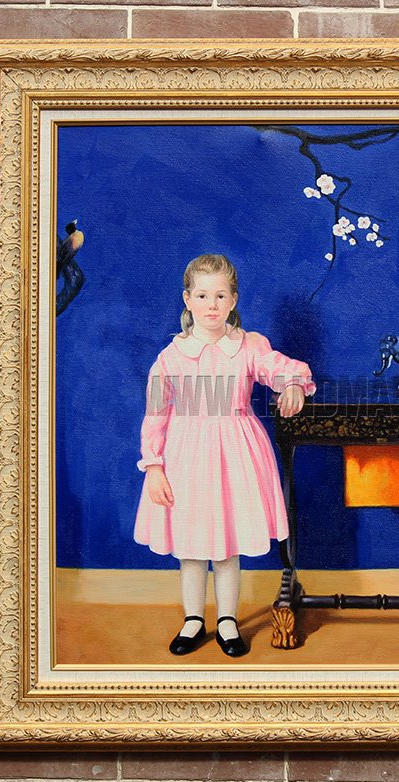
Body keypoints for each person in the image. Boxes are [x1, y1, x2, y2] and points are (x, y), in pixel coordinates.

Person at [134, 253, 314, 658]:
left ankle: (228, 620)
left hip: (236, 453)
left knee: (227, 544)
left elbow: (280, 368)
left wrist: (292, 385)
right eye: (202, 295)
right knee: (192, 546)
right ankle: (193, 619)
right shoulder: (171, 357)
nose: (211, 305)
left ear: (233, 300)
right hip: (186, 457)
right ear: (188, 300)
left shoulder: (248, 346)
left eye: (220, 296)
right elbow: (155, 415)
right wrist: (154, 466)